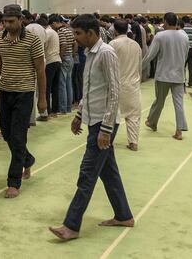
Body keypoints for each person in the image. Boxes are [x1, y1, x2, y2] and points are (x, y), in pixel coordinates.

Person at [49, 14, 133, 241]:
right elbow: (91, 90)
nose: (74, 38)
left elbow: (115, 92)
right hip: (93, 119)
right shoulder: (89, 54)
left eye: (77, 33)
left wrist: (106, 129)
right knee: (109, 172)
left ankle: (71, 225)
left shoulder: (106, 54)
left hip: (102, 124)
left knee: (87, 174)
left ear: (91, 33)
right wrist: (79, 115)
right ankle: (124, 215)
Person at [0, 4, 46, 198]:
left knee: (18, 136)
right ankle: (27, 159)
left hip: (24, 93)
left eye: (11, 21)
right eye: (5, 22)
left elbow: (40, 70)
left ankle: (14, 182)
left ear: (21, 20)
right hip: (5, 92)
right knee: (7, 133)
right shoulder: (1, 39)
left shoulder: (33, 40)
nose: (8, 25)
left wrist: (42, 98)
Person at [144, 13, 190, 140]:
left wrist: (140, 67)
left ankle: (152, 122)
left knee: (159, 101)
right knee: (179, 103)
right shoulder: (184, 35)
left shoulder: (160, 35)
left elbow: (150, 55)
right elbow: (185, 54)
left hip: (163, 75)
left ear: (165, 21)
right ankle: (179, 131)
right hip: (179, 75)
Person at [111, 19, 142, 151]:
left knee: (112, 115)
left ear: (115, 30)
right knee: (133, 115)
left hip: (117, 84)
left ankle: (108, 140)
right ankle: (133, 142)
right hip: (133, 84)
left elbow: (109, 65)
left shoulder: (113, 44)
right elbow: (139, 66)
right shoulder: (136, 45)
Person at [53, 15, 75, 115]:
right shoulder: (69, 30)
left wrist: (60, 57)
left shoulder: (61, 31)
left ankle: (62, 109)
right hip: (70, 58)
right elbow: (75, 43)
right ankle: (68, 107)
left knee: (62, 84)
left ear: (55, 23)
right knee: (68, 83)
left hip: (65, 58)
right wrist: (73, 55)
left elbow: (64, 44)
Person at [40, 16, 61, 119]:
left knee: (47, 87)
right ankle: (55, 111)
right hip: (57, 60)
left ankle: (46, 112)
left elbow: (42, 45)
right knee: (55, 87)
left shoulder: (47, 32)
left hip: (50, 61)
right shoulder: (54, 32)